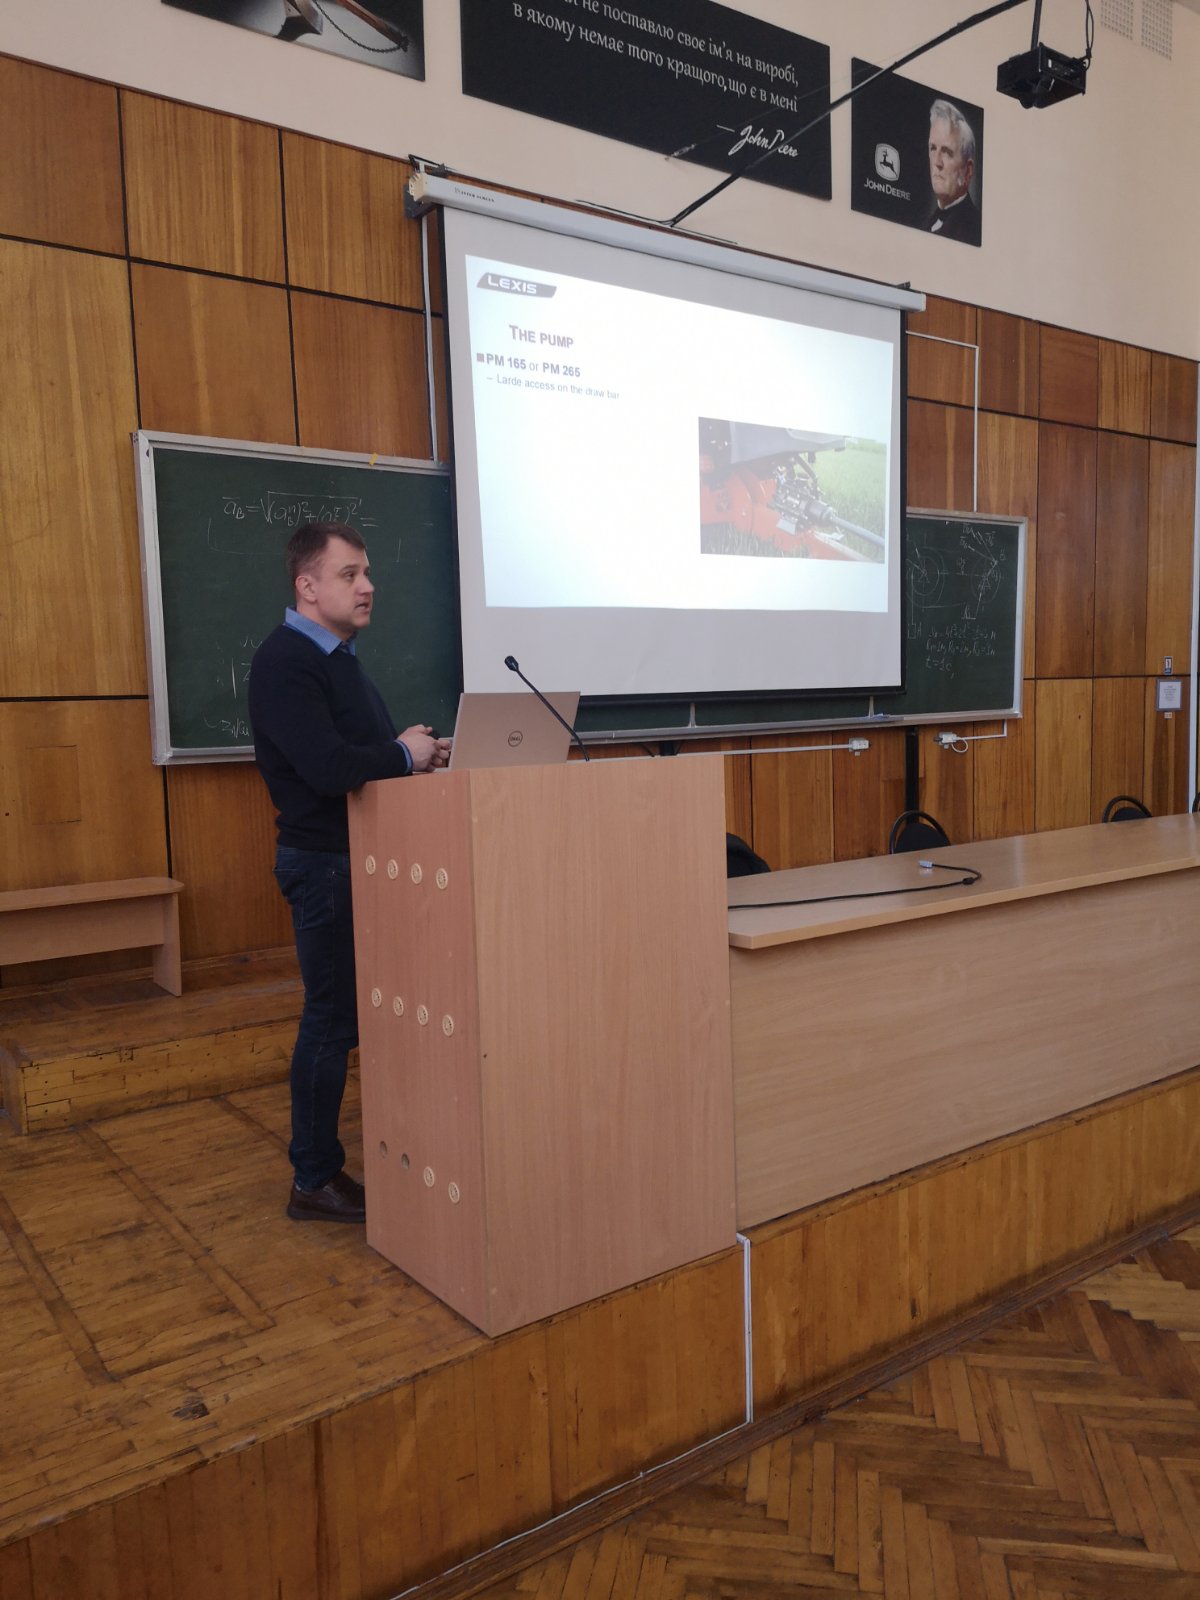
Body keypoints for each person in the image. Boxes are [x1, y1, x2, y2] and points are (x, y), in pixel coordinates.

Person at [248, 521, 450, 1223]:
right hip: (325, 866)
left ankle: (363, 1156)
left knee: (348, 1018)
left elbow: (359, 754)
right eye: (349, 574)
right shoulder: (288, 661)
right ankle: (313, 1178)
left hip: (360, 860)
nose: (368, 586)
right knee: (331, 1021)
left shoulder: (336, 659)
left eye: (367, 573)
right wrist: (400, 755)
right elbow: (329, 768)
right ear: (307, 586)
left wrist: (415, 753)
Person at [926, 98, 980, 245]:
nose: (937, 162)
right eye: (933, 148)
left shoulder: (972, 228)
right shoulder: (930, 222)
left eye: (946, 152)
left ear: (967, 170)